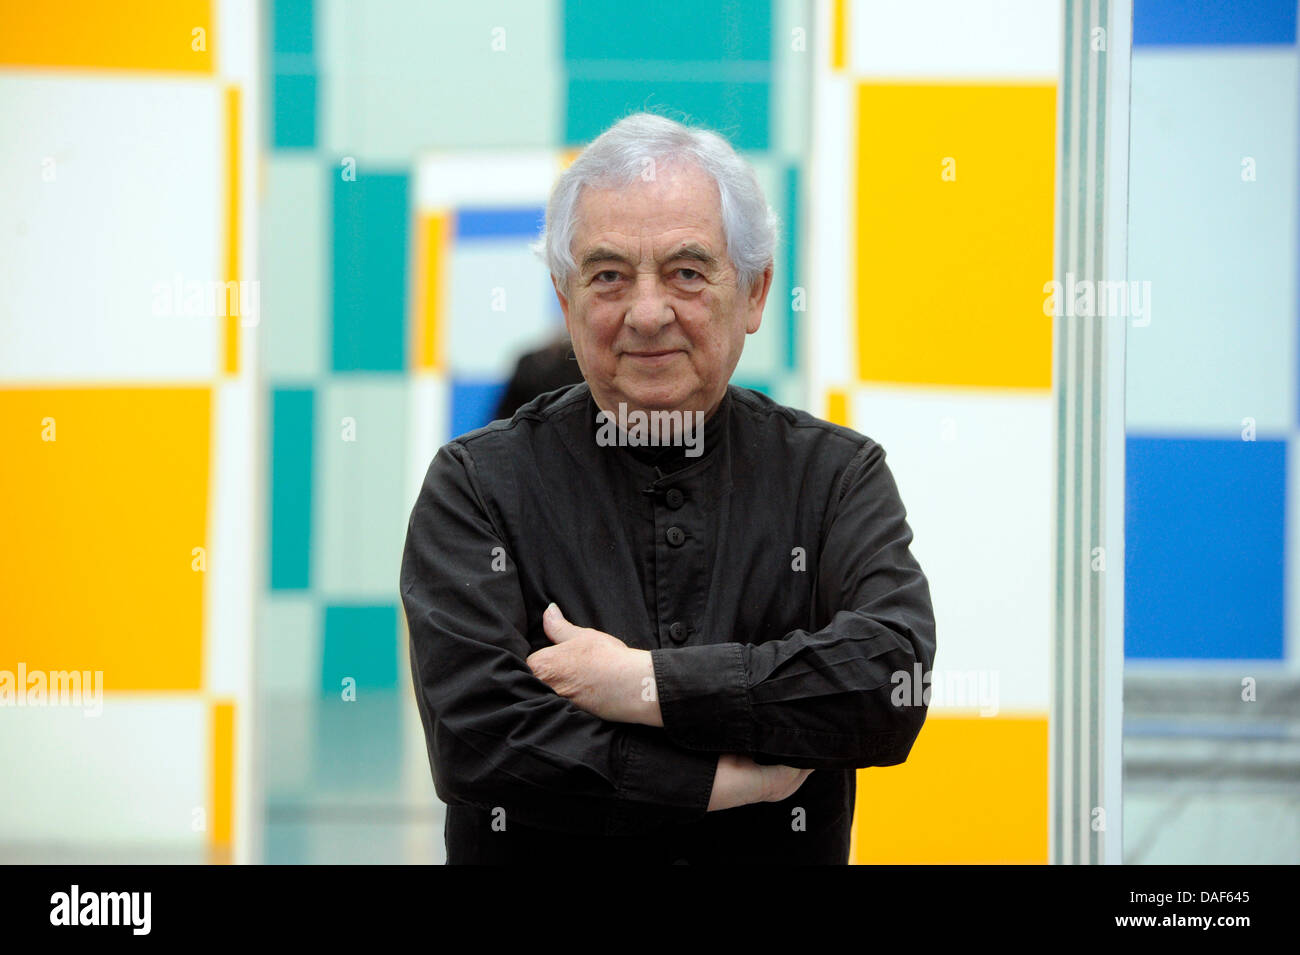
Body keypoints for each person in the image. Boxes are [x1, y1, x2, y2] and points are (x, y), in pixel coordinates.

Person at [400, 112, 936, 864]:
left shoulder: (835, 477)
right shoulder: (478, 486)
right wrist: (724, 780)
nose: (647, 313)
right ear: (566, 298)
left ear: (754, 293)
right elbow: (481, 740)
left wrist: (641, 682)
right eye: (609, 275)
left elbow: (888, 681)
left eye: (687, 272)